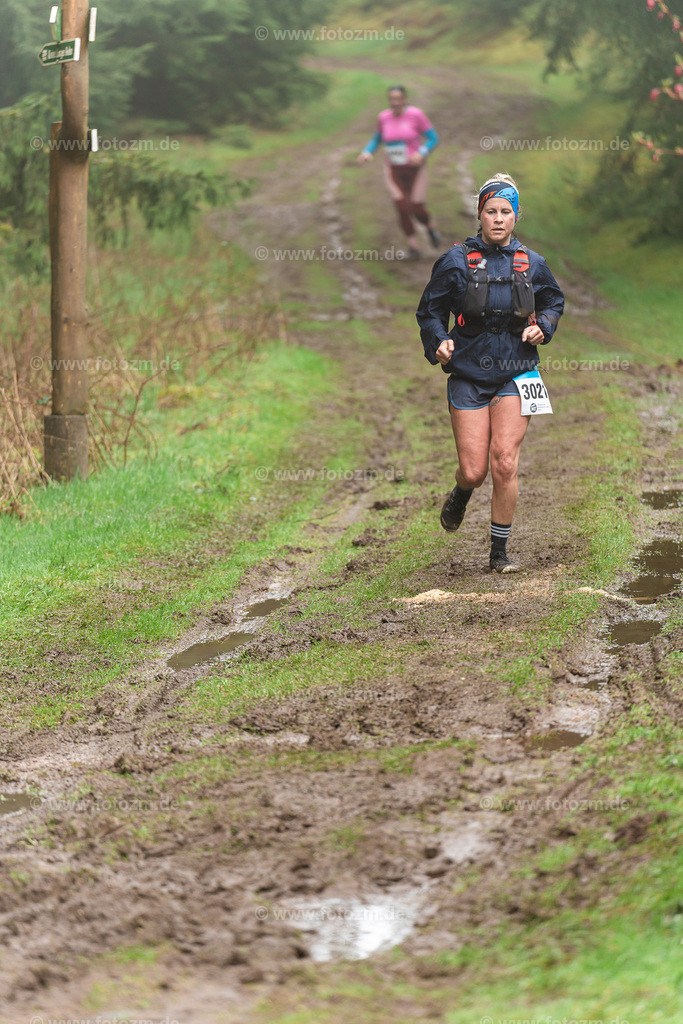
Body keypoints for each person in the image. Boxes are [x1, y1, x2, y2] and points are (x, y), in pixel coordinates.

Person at [415, 173, 565, 573]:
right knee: (474, 470)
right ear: (479, 215)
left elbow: (553, 301)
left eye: (506, 212)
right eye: (491, 211)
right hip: (467, 372)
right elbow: (430, 312)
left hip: (517, 372)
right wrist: (438, 341)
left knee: (505, 461)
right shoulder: (455, 261)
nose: (498, 219)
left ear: (516, 216)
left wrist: (543, 326)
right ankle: (462, 491)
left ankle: (499, 554)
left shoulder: (532, 263)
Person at [357, 85, 441, 260]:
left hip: (415, 169)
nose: (395, 102)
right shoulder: (383, 117)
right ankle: (413, 247)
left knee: (417, 208)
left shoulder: (416, 115)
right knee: (402, 207)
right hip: (393, 169)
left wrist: (422, 152)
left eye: (398, 99)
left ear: (404, 99)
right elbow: (377, 139)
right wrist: (367, 152)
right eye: (392, 99)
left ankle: (430, 227)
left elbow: (433, 138)